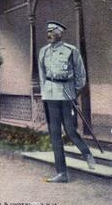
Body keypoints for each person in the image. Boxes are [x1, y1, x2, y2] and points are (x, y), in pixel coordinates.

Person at [38, 21, 96, 183]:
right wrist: (45, 92)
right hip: (50, 95)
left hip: (66, 94)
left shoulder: (71, 51)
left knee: (70, 130)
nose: (49, 33)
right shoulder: (43, 51)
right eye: (47, 30)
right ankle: (62, 173)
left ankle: (87, 154)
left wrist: (74, 91)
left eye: (52, 31)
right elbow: (42, 74)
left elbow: (81, 76)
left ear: (60, 33)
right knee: (55, 133)